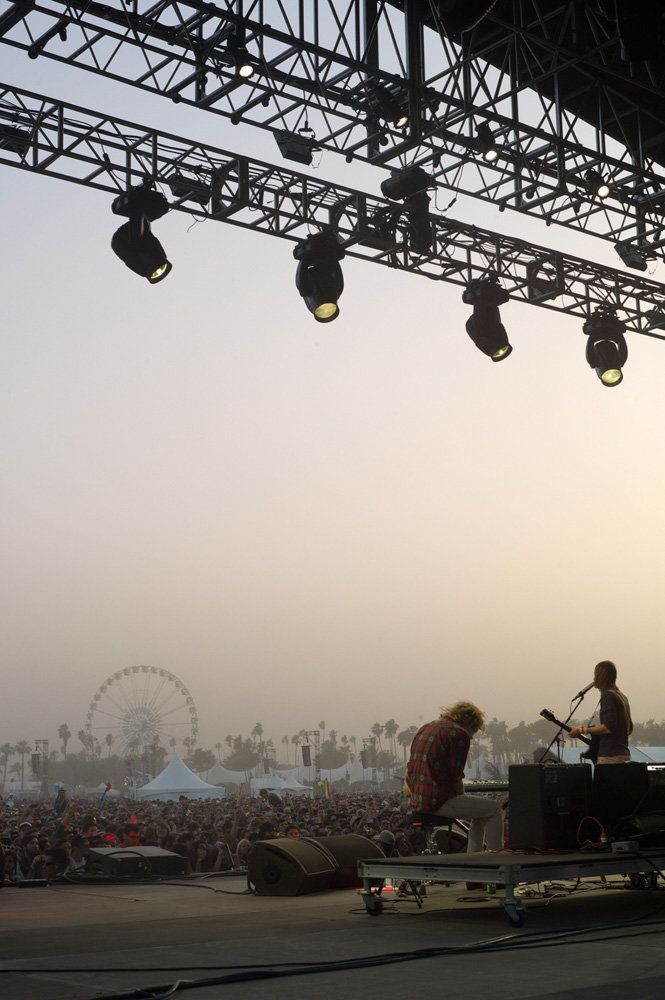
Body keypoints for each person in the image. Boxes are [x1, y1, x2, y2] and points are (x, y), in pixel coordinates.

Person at [406, 700, 503, 853]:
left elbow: (410, 771)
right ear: (471, 723)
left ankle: (476, 856)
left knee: (481, 812)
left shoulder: (426, 727)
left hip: (418, 800)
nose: (471, 737)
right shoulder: (459, 734)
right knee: (495, 809)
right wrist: (463, 799)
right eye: (474, 731)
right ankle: (497, 857)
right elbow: (455, 776)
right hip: (437, 801)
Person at [569, 660, 632, 764]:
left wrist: (581, 729)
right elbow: (625, 727)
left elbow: (608, 727)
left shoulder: (608, 696)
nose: (594, 678)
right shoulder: (621, 696)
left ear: (601, 676)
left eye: (595, 675)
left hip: (610, 757)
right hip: (622, 754)